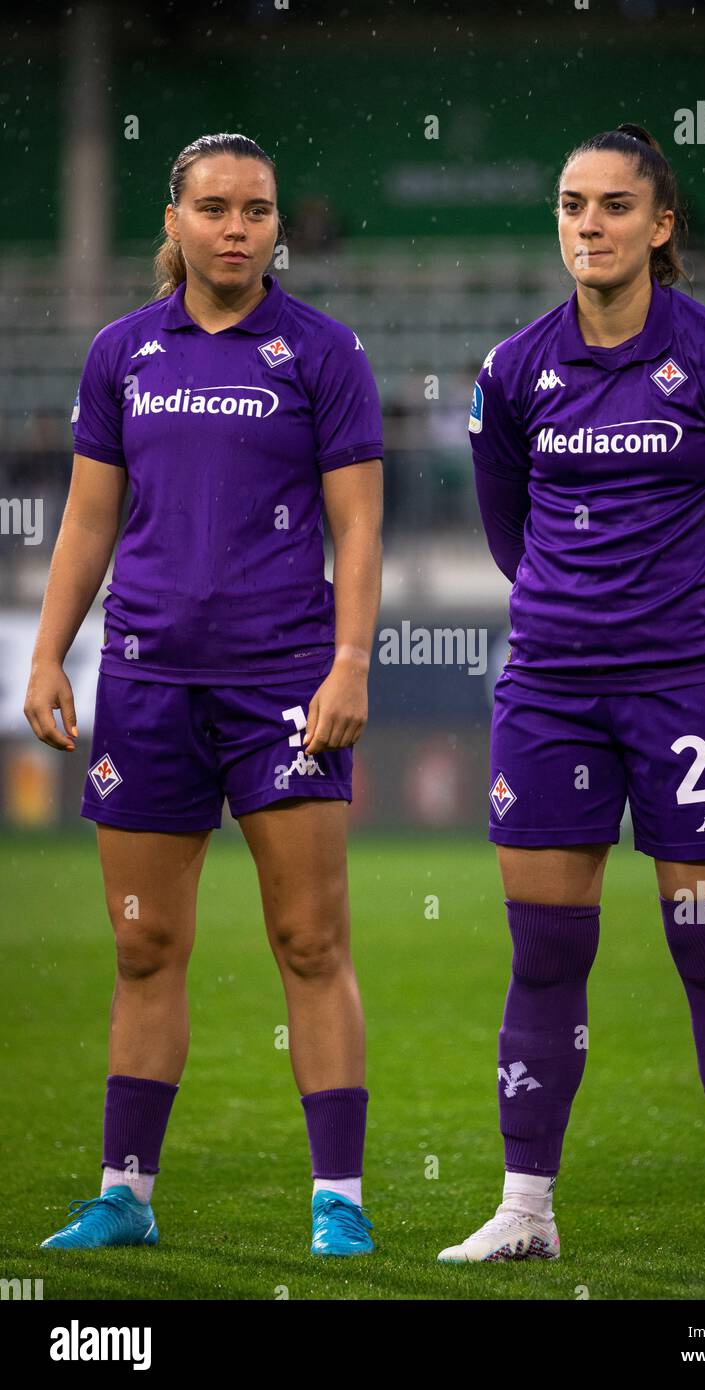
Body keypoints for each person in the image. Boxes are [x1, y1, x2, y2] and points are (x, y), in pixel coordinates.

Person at [439, 124, 705, 1267]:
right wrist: (579, 614)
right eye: (567, 204)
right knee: (544, 953)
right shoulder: (512, 369)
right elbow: (511, 537)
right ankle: (524, 1211)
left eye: (609, 206)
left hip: (688, 687)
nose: (585, 225)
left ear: (660, 225)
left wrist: (690, 602)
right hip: (549, 690)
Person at [25, 132, 384, 1257]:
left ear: (278, 227)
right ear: (173, 223)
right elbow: (88, 520)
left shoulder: (322, 353)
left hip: (285, 685)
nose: (238, 228)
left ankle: (340, 1200)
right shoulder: (122, 353)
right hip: (145, 683)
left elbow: (358, 525)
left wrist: (349, 662)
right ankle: (125, 1194)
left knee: (309, 939)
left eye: (258, 210)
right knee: (142, 946)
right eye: (217, 209)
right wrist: (48, 653)